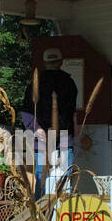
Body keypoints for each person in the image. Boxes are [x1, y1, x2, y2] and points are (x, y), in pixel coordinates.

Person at [21, 47, 78, 188]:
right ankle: (62, 210)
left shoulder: (34, 84)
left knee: (42, 181)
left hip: (40, 140)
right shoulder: (69, 83)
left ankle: (41, 210)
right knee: (64, 182)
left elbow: (26, 111)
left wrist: (36, 129)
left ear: (44, 62)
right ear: (61, 61)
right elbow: (69, 111)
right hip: (64, 139)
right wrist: (58, 130)